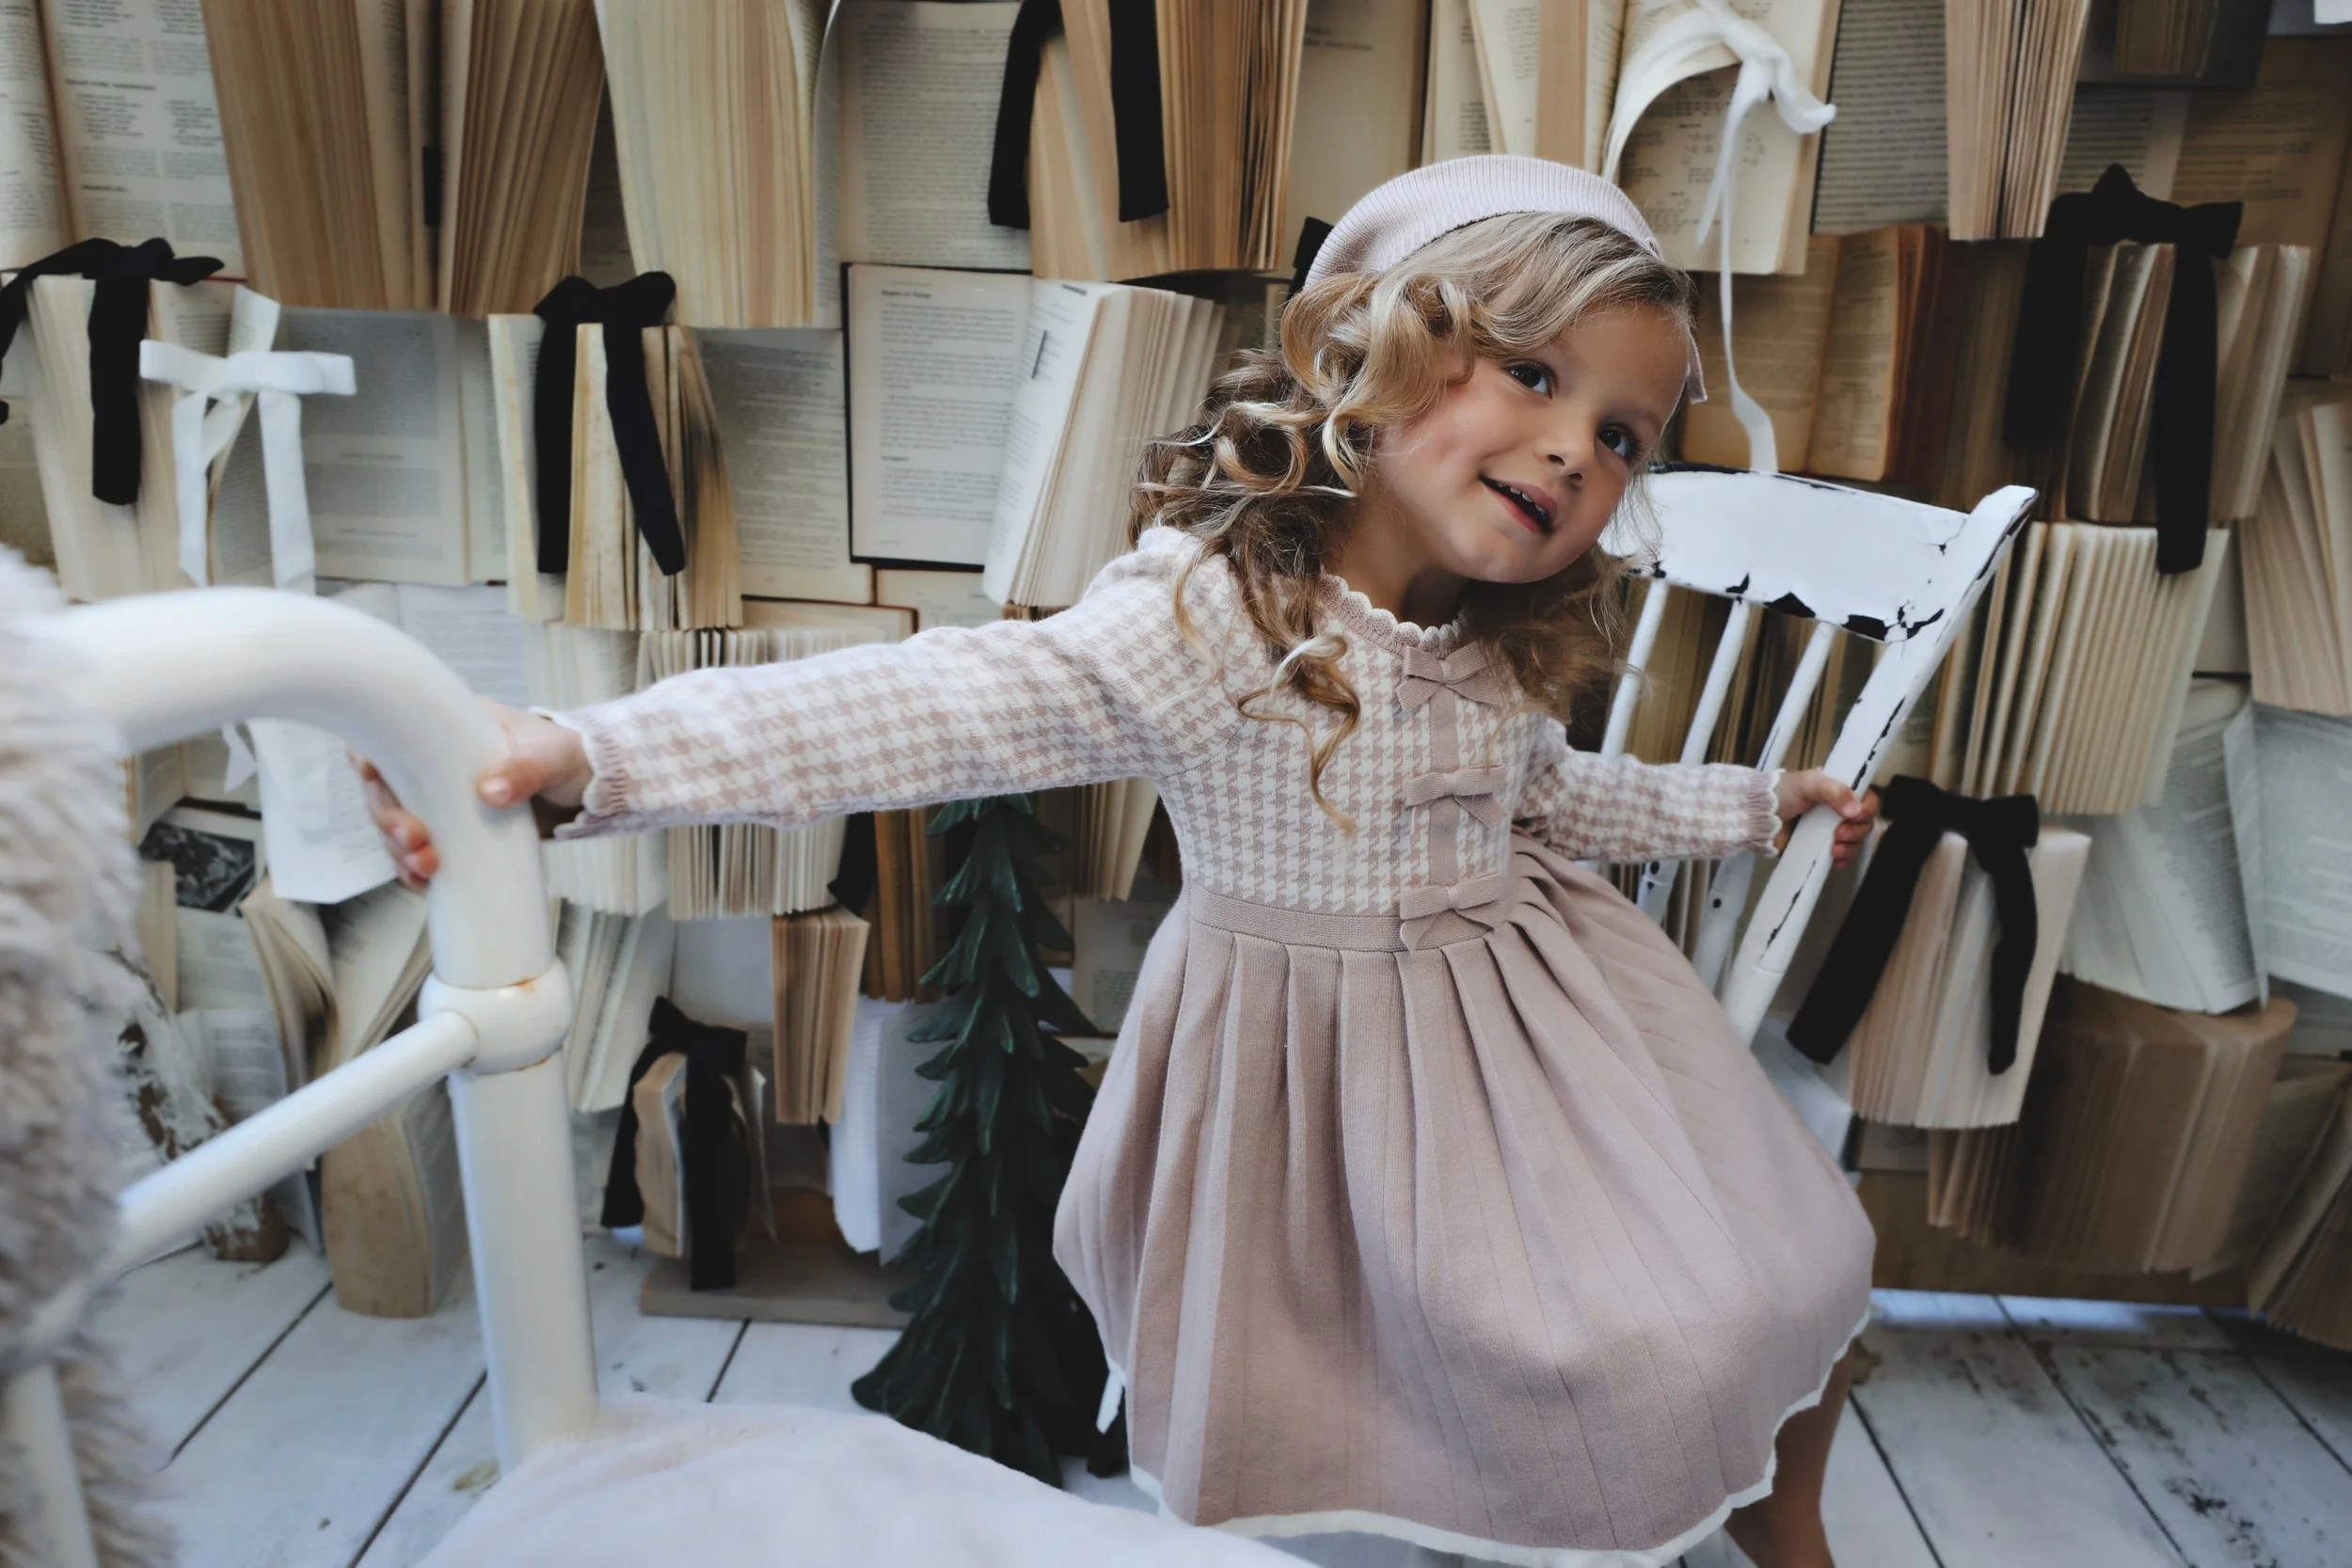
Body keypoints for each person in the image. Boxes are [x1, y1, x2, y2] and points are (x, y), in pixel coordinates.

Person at [358, 156, 1880, 1568]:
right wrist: (591, 758)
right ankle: (1471, 1494)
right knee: (1525, 1347)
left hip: (1531, 1020)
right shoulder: (1212, 617)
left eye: (1620, 435)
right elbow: (930, 704)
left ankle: (1766, 1514)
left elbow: (1554, 799)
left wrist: (1753, 806)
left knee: (1779, 1260)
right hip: (1322, 1061)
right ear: (1384, 352)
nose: (1574, 445)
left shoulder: (1492, 649)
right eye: (1535, 374)